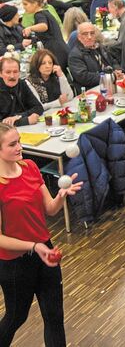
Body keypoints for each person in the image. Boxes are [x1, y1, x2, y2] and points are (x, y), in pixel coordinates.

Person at [0, 123, 81, 346]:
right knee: (16, 317)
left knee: (55, 316)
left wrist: (62, 195)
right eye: (12, 144)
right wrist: (33, 246)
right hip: (15, 263)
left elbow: (51, 209)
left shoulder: (30, 167)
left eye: (19, 141)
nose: (20, 147)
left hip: (45, 250)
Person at [21, 0, 68, 69]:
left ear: (35, 3)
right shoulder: (46, 12)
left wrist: (30, 28)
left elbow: (44, 26)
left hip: (56, 51)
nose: (23, 7)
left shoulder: (39, 15)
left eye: (25, 4)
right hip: (61, 48)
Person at [68, 22, 122, 90]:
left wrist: (118, 70)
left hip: (110, 84)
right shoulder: (75, 55)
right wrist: (110, 76)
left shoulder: (99, 47)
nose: (89, 37)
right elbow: (84, 77)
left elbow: (113, 61)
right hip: (92, 90)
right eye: (85, 34)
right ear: (79, 37)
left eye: (92, 33)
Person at [0, 57, 43, 126]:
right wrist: (25, 121)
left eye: (15, 72)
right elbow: (2, 123)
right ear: (1, 74)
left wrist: (18, 116)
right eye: (8, 72)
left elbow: (38, 107)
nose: (12, 76)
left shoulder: (22, 84)